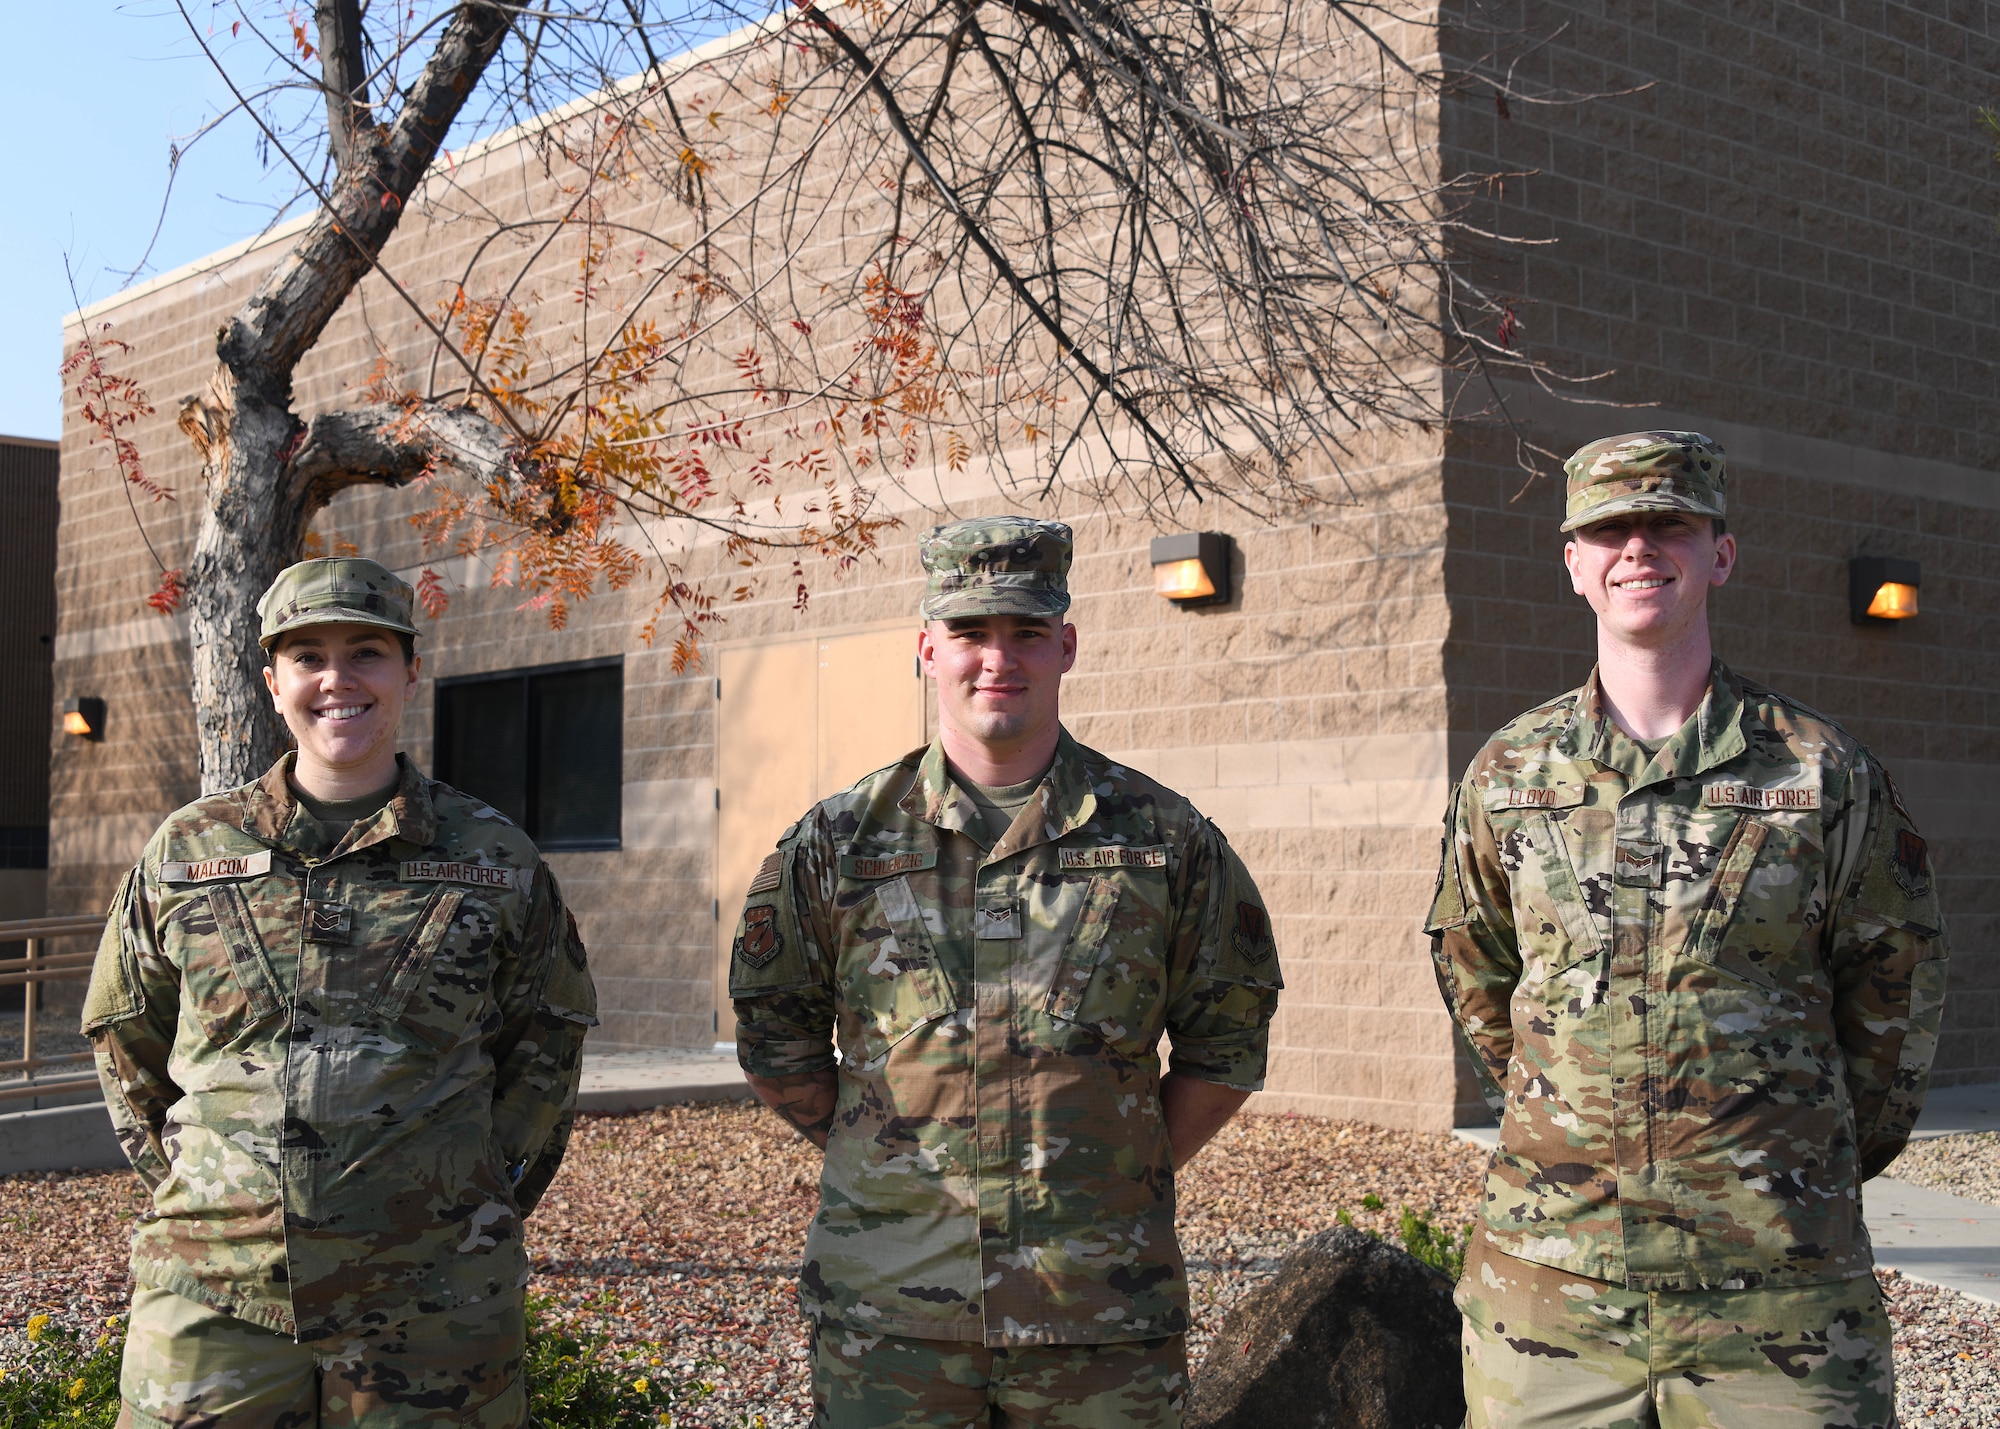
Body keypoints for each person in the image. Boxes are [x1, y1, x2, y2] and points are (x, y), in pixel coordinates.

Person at [1427, 433, 1948, 1428]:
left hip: (1777, 1297)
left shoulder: (1819, 772)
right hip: (1553, 1293)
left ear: (1719, 553)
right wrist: (1581, 1123)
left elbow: (1893, 1004)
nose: (1637, 547)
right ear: (1571, 562)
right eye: (1607, 528)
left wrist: (1779, 1164)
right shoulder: (1506, 775)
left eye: (1667, 522)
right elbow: (1478, 973)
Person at [730, 516, 1282, 1428]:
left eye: (1026, 632)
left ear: (1066, 644)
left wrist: (1110, 1167)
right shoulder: (836, 843)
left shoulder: (1164, 837)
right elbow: (776, 1038)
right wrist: (885, 1156)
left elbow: (1227, 1041)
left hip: (1099, 1316)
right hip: (890, 1317)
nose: (998, 658)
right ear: (925, 650)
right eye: (969, 633)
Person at [83, 556, 597, 1428]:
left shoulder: (490, 857)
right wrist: (213, 1183)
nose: (337, 679)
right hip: (215, 1292)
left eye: (366, 652)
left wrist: (463, 1193)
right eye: (308, 655)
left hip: (433, 1296)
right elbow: (125, 1032)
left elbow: (546, 1043)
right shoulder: (189, 850)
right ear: (272, 678)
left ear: (409, 672)